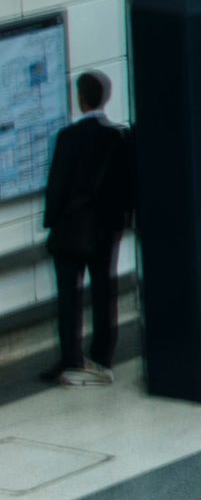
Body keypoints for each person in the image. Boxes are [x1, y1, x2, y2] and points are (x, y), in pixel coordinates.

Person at [41, 70, 134, 388]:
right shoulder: (116, 138)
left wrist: (51, 221)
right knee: (103, 292)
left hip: (70, 231)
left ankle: (70, 358)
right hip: (105, 230)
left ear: (80, 99)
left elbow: (57, 187)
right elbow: (125, 187)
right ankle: (102, 356)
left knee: (69, 297)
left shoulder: (68, 138)